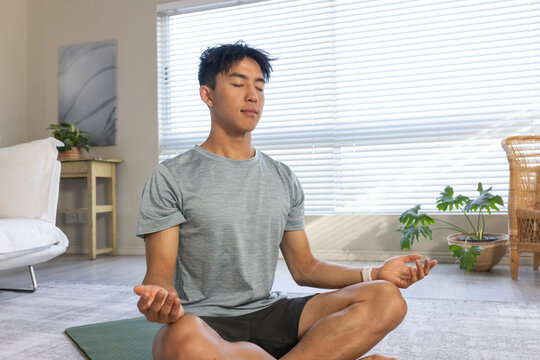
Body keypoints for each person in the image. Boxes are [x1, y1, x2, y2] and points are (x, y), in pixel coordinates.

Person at [134, 41, 437, 360]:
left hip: (272, 313)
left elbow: (305, 268)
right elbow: (160, 274)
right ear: (207, 95)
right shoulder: (170, 177)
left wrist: (375, 274)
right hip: (204, 324)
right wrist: (158, 298)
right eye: (238, 84)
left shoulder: (283, 177)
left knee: (387, 298)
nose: (252, 95)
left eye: (260, 87)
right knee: (179, 342)